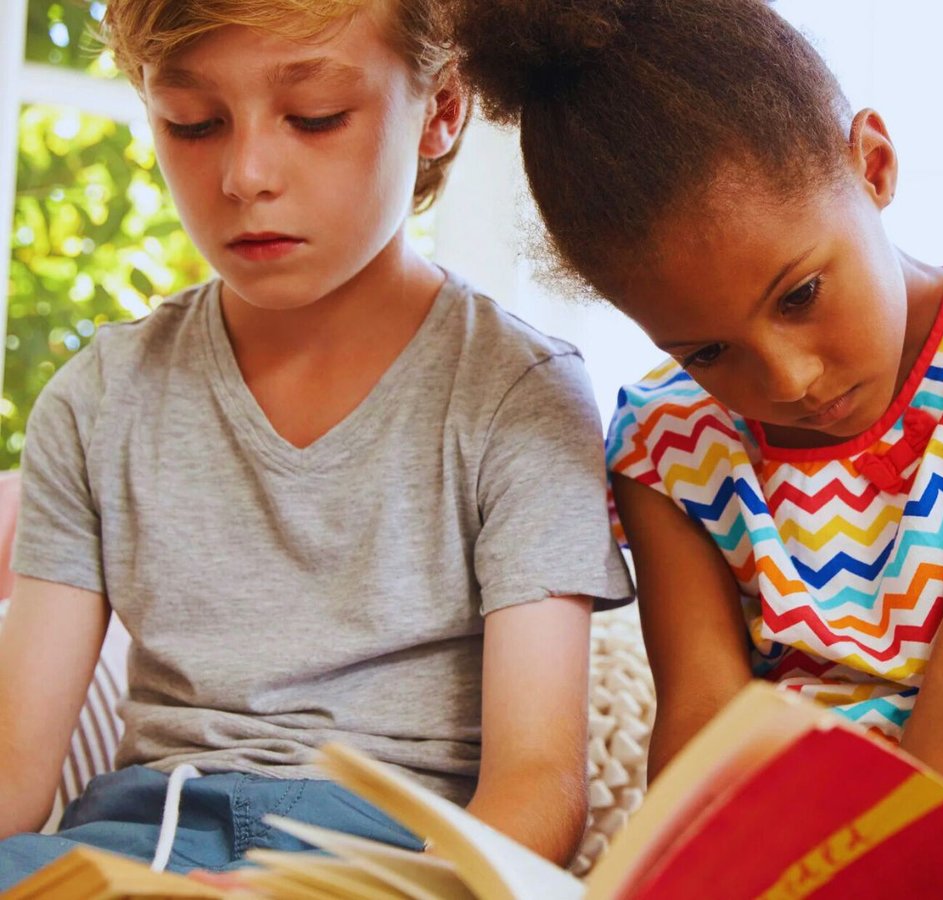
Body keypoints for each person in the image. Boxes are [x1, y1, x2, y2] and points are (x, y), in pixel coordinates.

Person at [447, 1, 943, 895]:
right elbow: (702, 716)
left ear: (874, 165)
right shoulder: (667, 442)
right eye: (706, 352)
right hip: (784, 857)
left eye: (800, 294)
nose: (788, 379)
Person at [0, 0, 632, 886]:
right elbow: (13, 780)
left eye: (316, 117)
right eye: (193, 123)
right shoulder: (97, 403)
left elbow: (537, 789)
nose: (246, 174)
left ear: (442, 108)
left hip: (390, 867)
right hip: (126, 848)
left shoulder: (519, 397)